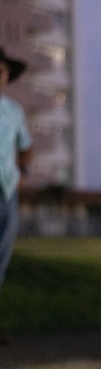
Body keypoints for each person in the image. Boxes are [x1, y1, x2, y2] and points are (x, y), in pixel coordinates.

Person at [0, 47, 32, 300]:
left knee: (2, 254)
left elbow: (26, 145)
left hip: (8, 190)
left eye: (0, 71)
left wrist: (23, 172)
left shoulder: (13, 110)